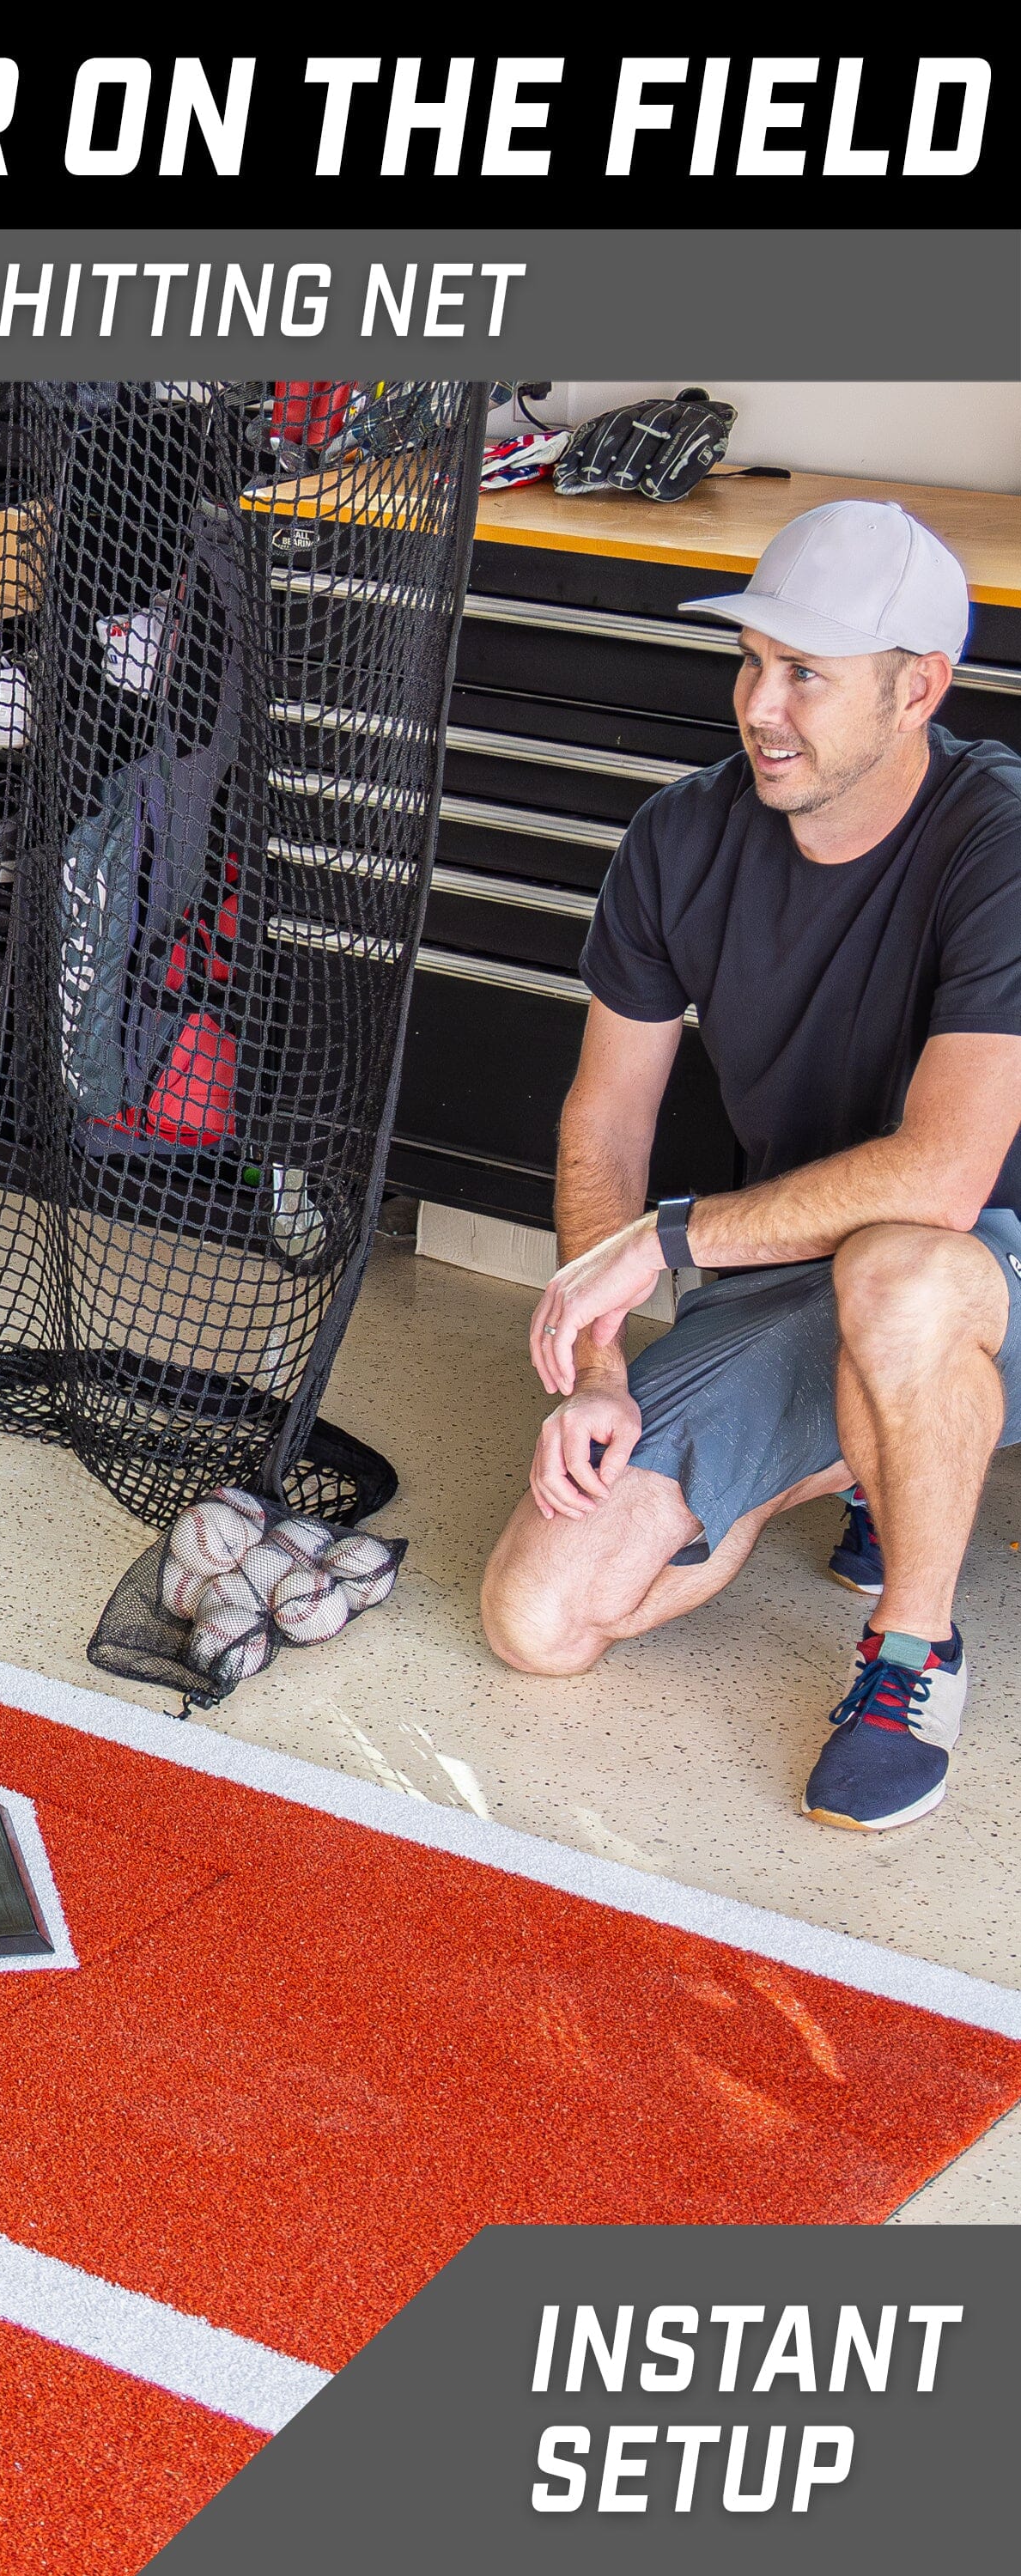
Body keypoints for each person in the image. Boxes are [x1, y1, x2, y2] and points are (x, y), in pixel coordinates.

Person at [480, 499, 1021, 1832]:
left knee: (903, 1277)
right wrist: (600, 1371)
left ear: (920, 689)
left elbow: (947, 1179)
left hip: (981, 1268)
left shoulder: (999, 844)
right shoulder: (682, 838)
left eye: (807, 675)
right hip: (794, 1272)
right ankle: (866, 1447)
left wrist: (666, 1241)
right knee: (539, 1619)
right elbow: (603, 1128)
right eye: (752, 661)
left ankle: (911, 1653)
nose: (761, 707)